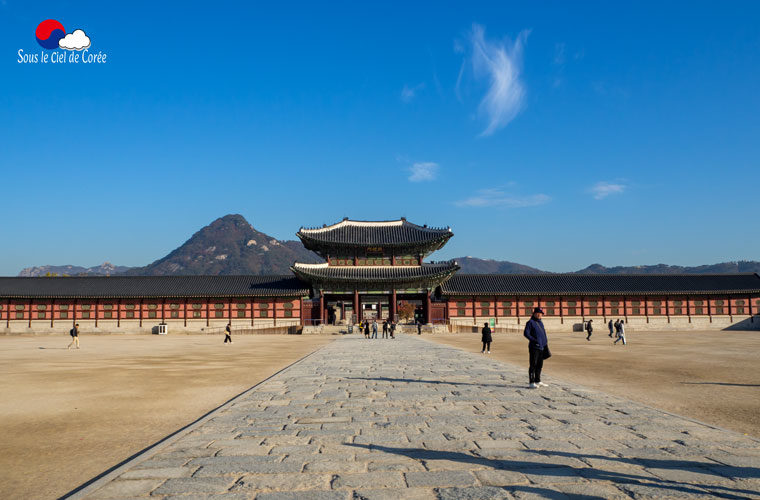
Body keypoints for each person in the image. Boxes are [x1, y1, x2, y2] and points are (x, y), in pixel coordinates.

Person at [523, 307, 549, 389]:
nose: (539, 315)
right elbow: (526, 333)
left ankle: (538, 380)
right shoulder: (530, 322)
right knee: (533, 364)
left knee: (539, 364)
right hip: (534, 347)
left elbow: (543, 333)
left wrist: (544, 343)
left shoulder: (540, 322)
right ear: (534, 313)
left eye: (541, 313)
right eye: (538, 313)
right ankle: (531, 382)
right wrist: (535, 340)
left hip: (542, 347)